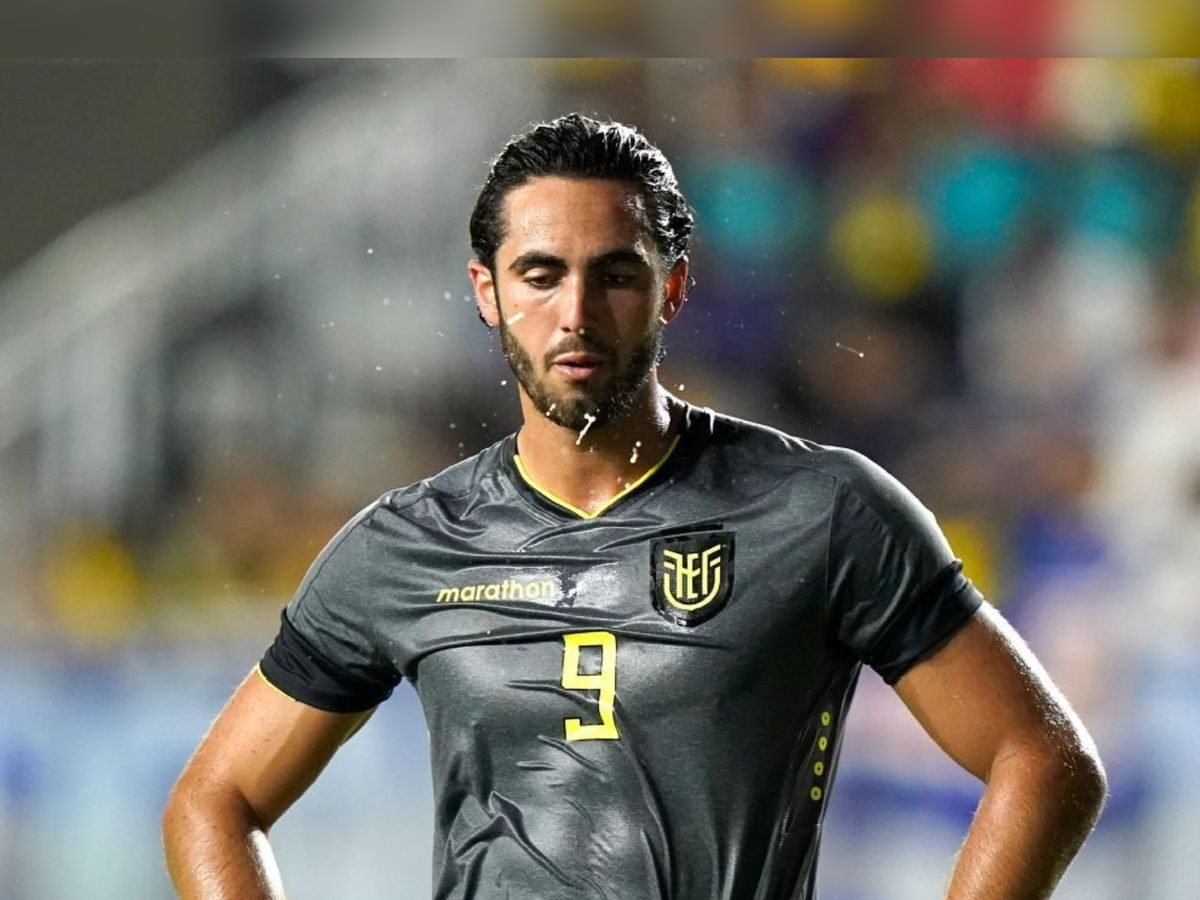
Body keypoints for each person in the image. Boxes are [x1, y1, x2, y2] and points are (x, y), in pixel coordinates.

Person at [163, 113, 1107, 900]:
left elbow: (1043, 760)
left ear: (673, 288)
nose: (576, 311)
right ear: (487, 292)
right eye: (540, 275)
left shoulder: (821, 511)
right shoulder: (404, 546)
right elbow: (214, 802)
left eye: (615, 273)